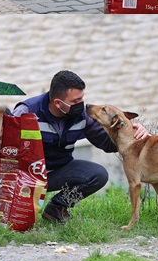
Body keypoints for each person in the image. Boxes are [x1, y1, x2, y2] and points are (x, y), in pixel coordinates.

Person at [11, 70, 149, 223]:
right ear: (58, 103)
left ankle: (56, 209)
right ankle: (16, 208)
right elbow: (4, 149)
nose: (82, 104)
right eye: (76, 101)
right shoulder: (26, 112)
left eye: (82, 98)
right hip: (27, 175)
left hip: (57, 171)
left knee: (98, 175)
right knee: (18, 220)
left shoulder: (82, 116)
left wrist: (131, 133)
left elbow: (109, 143)